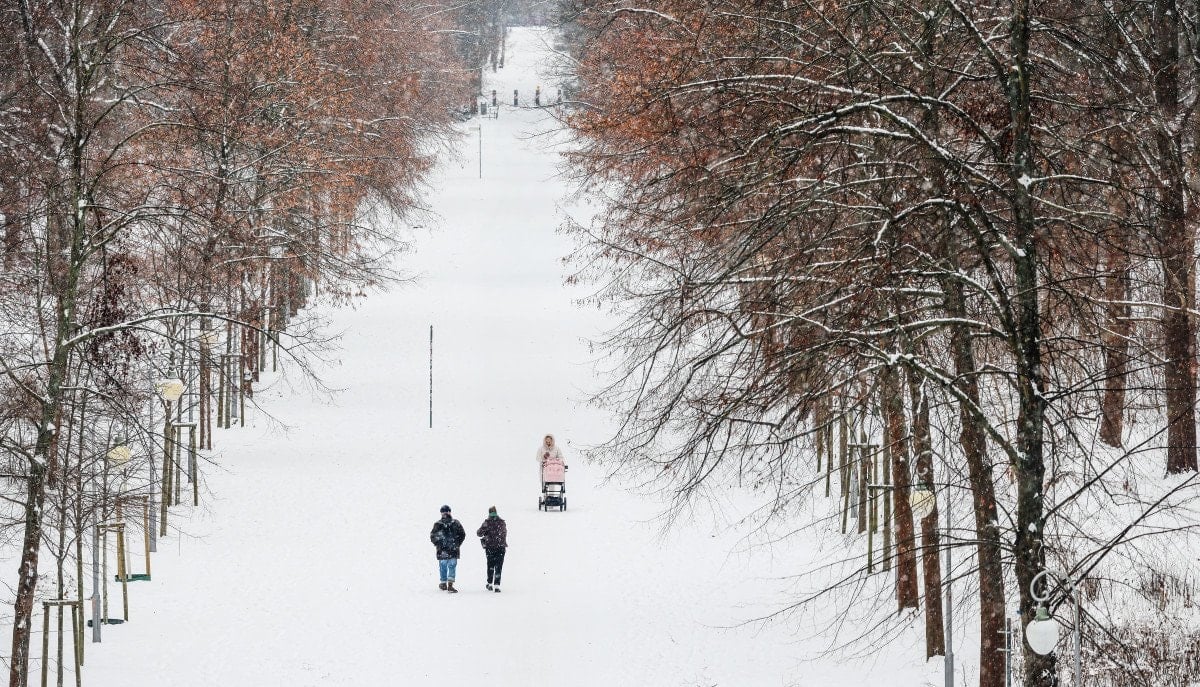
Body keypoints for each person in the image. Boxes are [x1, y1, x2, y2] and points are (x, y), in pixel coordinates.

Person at [430, 505, 466, 593]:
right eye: (444, 512)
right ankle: (449, 584)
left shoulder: (438, 524)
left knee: (444, 566)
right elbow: (462, 534)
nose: (445, 513)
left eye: (446, 511)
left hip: (443, 550)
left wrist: (438, 544)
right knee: (451, 566)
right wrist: (457, 544)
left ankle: (444, 583)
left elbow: (433, 536)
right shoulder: (455, 523)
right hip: (452, 549)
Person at [476, 506, 508, 592]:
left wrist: (486, 535)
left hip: (490, 547)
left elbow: (479, 533)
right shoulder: (502, 522)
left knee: (490, 565)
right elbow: (504, 533)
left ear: (489, 513)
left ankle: (489, 584)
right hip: (501, 547)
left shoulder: (487, 523)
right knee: (499, 566)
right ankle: (497, 585)